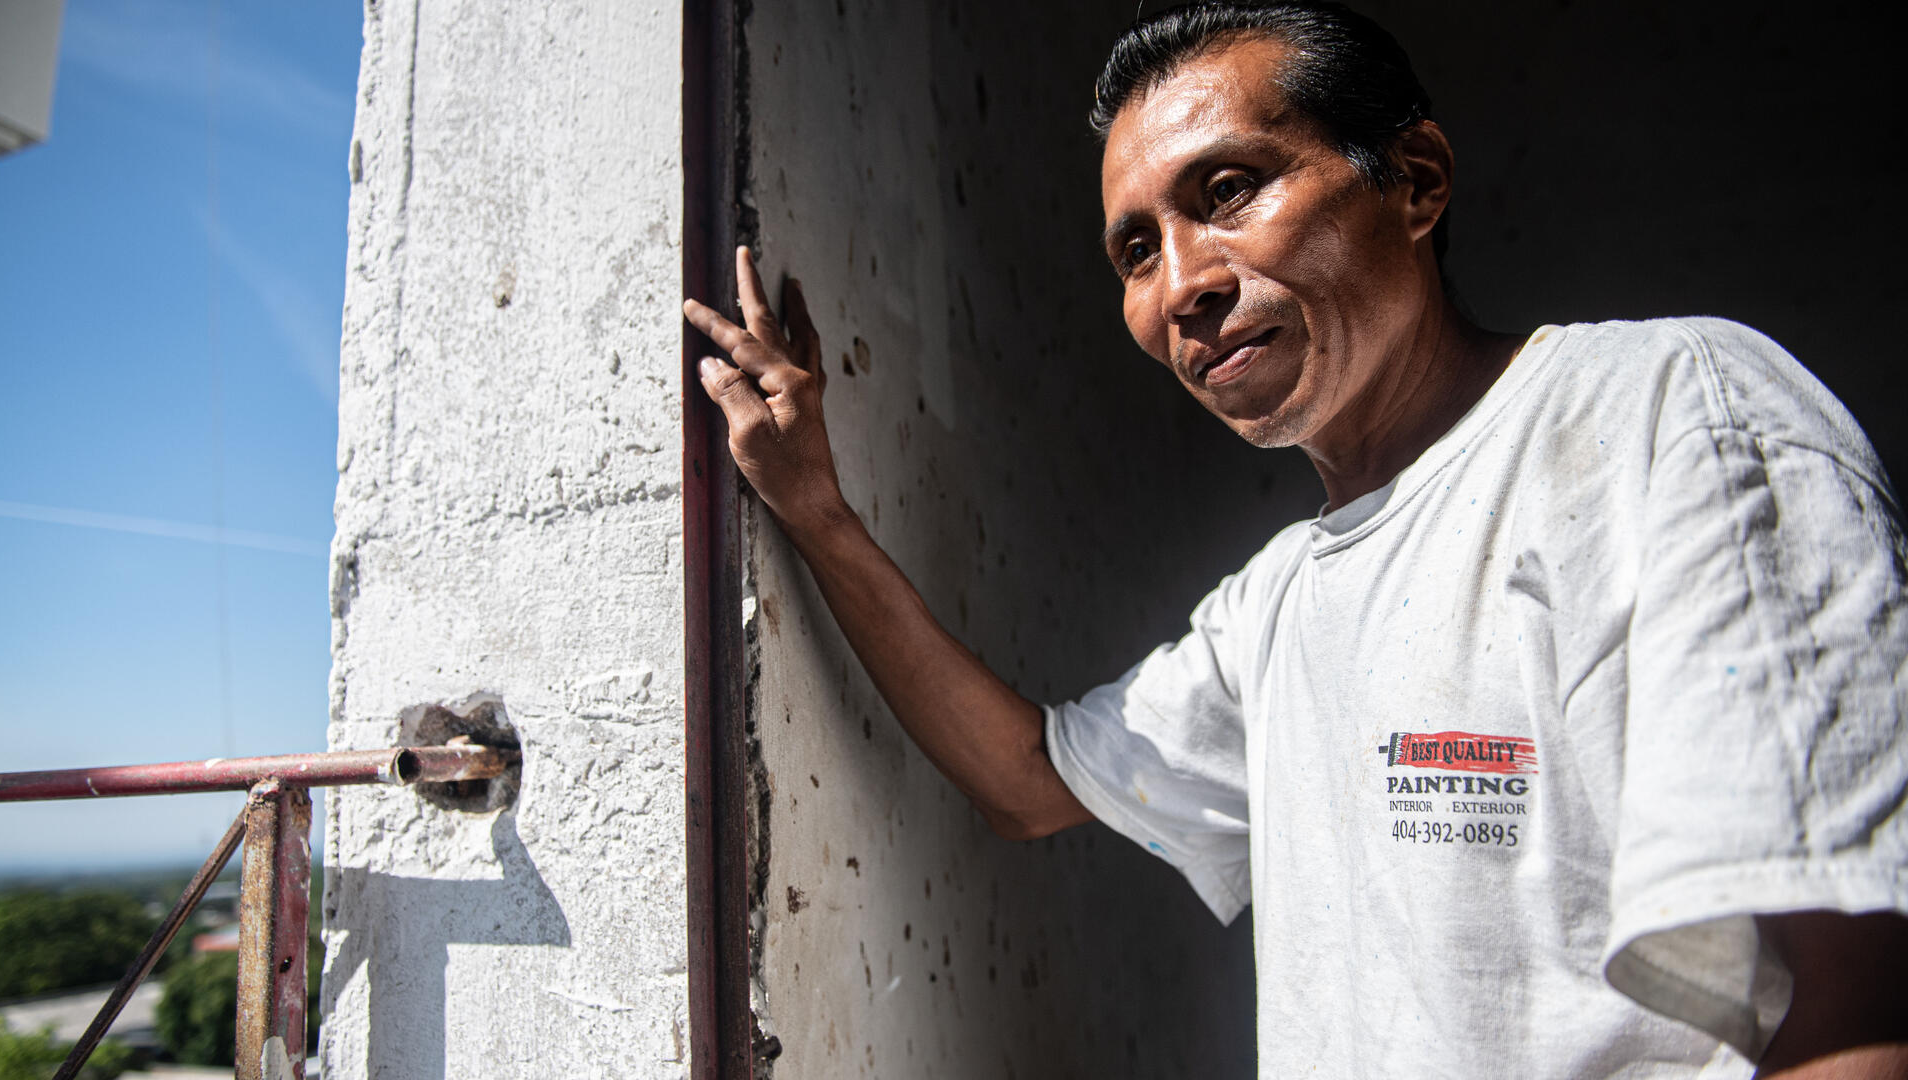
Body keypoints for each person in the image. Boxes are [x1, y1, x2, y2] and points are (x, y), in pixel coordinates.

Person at [682, 1, 1908, 1075]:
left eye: (1227, 193)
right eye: (1136, 250)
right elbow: (1029, 785)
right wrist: (816, 510)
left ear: (1416, 180)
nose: (1183, 286)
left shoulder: (1665, 412)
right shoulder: (1277, 609)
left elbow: (1855, 1001)